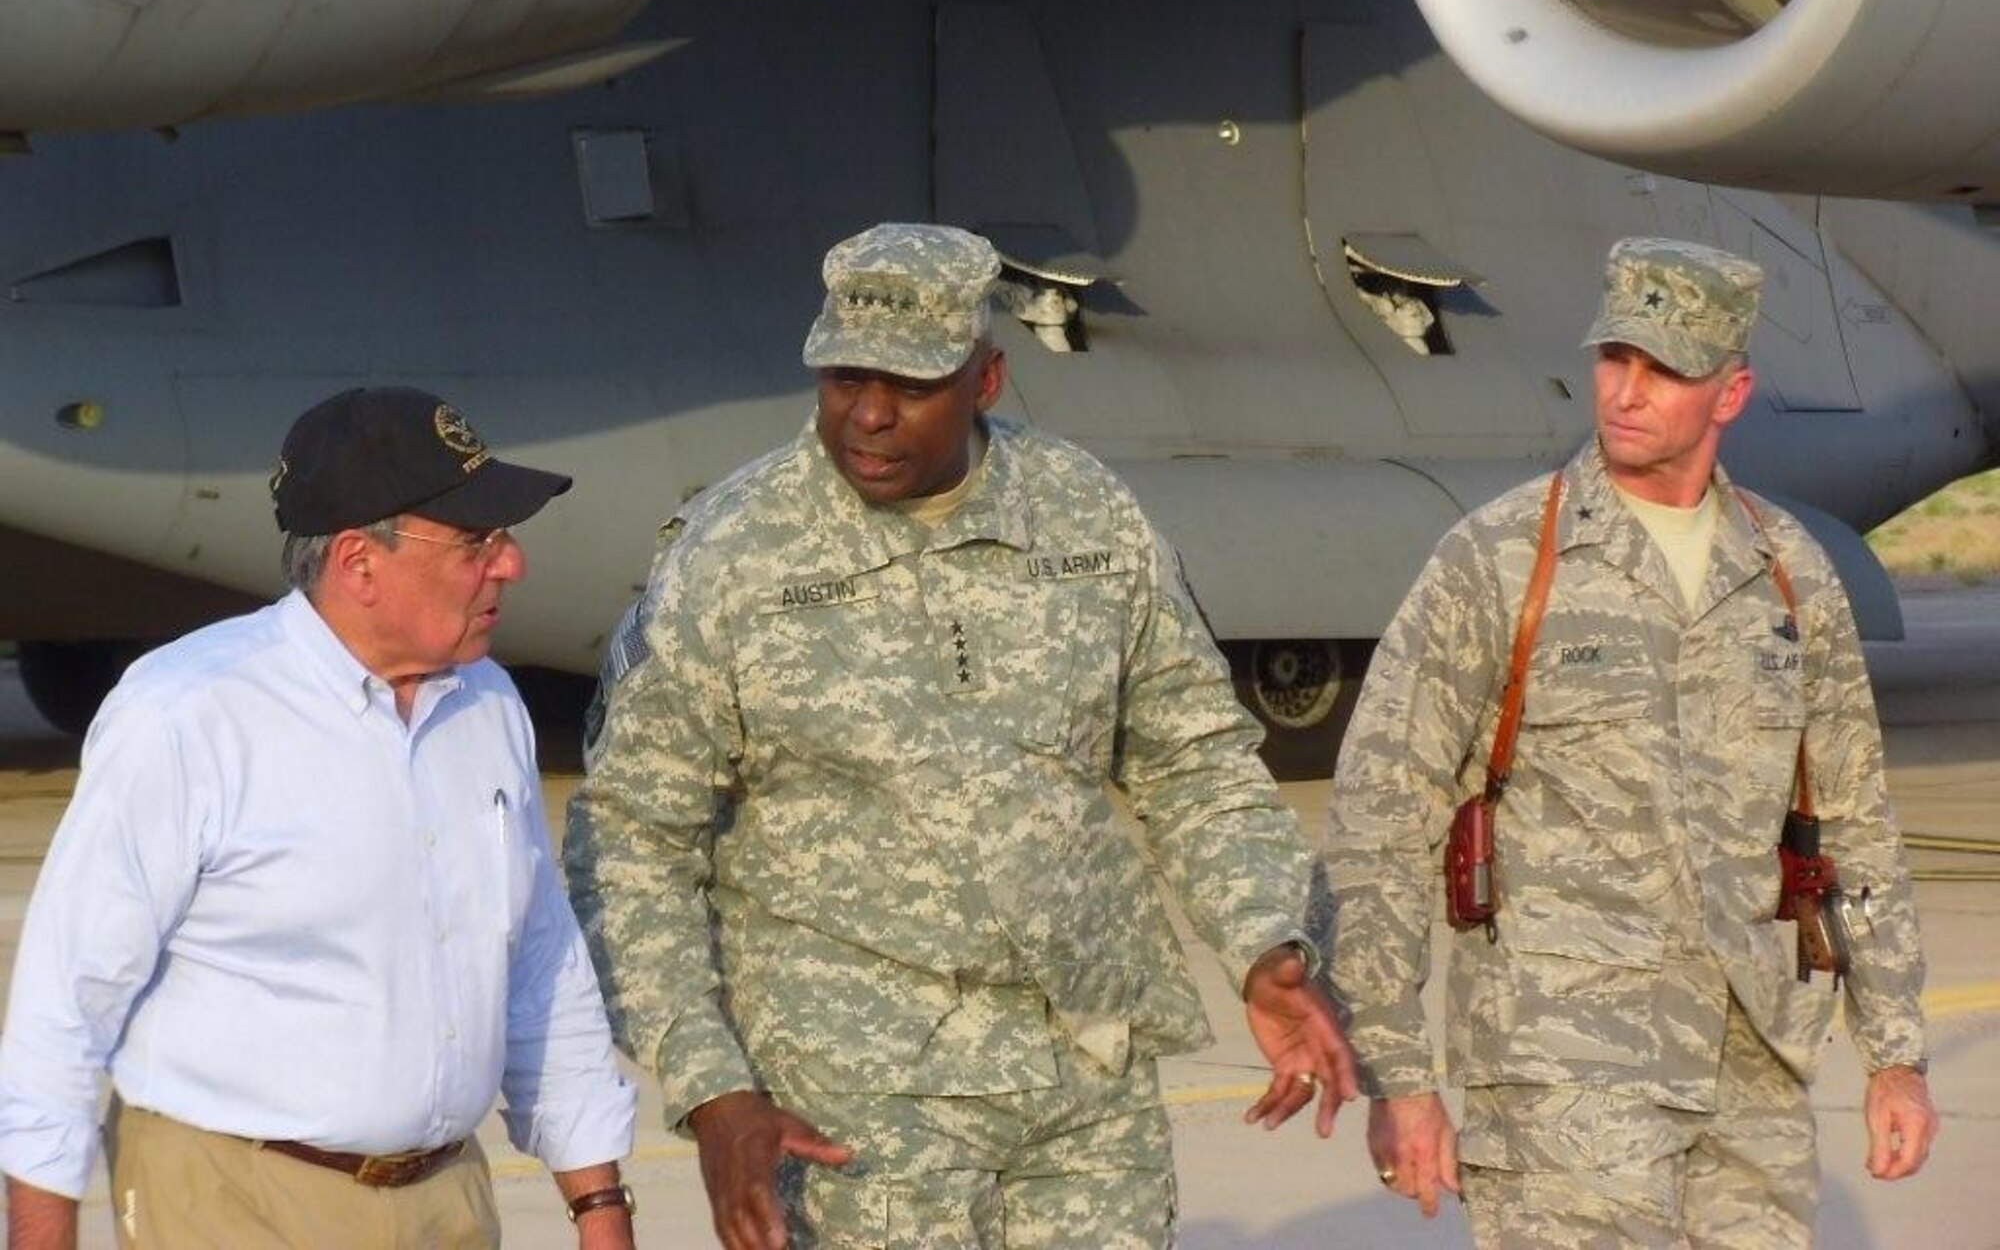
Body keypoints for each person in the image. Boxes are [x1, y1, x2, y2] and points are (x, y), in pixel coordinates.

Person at [564, 223, 1357, 1249]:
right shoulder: (735, 552)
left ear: (985, 379)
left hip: (1080, 1077)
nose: (869, 414)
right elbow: (629, 839)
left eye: (910, 383)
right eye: (843, 377)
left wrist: (1260, 940)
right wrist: (711, 1089)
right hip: (854, 1104)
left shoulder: (1081, 515)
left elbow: (1194, 756)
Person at [1320, 238, 1938, 1246]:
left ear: (1727, 393)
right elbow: (1379, 820)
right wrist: (1396, 1071)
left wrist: (1895, 1054)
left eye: (1663, 369)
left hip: (1748, 1078)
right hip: (1562, 1081)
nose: (1625, 391)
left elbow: (1851, 822)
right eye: (1614, 357)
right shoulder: (1499, 561)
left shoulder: (1786, 572)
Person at [0, 387, 639, 1249]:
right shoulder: (189, 713)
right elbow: (66, 1002)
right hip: (233, 1201)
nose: (511, 563)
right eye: (474, 541)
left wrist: (600, 1208)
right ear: (358, 562)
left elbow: (538, 964)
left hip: (445, 1200)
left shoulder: (487, 705)